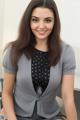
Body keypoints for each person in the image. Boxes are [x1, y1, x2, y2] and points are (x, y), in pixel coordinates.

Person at [2, 0, 77, 120]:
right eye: (35, 20)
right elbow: (6, 93)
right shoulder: (13, 50)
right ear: (28, 21)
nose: (41, 26)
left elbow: (67, 96)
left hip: (51, 117)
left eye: (47, 20)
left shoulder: (66, 52)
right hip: (17, 116)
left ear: (55, 22)